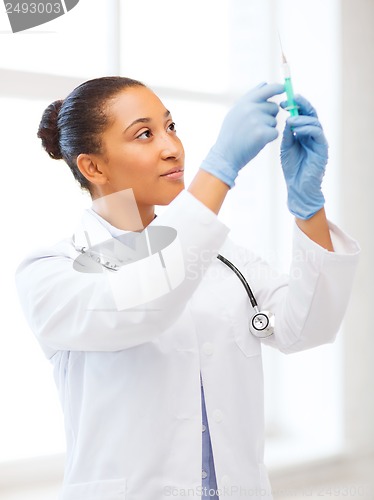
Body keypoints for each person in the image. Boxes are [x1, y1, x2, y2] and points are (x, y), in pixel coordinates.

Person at [15, 76, 359, 500]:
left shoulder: (222, 256)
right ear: (94, 167)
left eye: (170, 126)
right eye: (144, 134)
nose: (171, 146)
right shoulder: (54, 271)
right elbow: (141, 304)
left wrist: (309, 206)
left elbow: (308, 328)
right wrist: (220, 168)